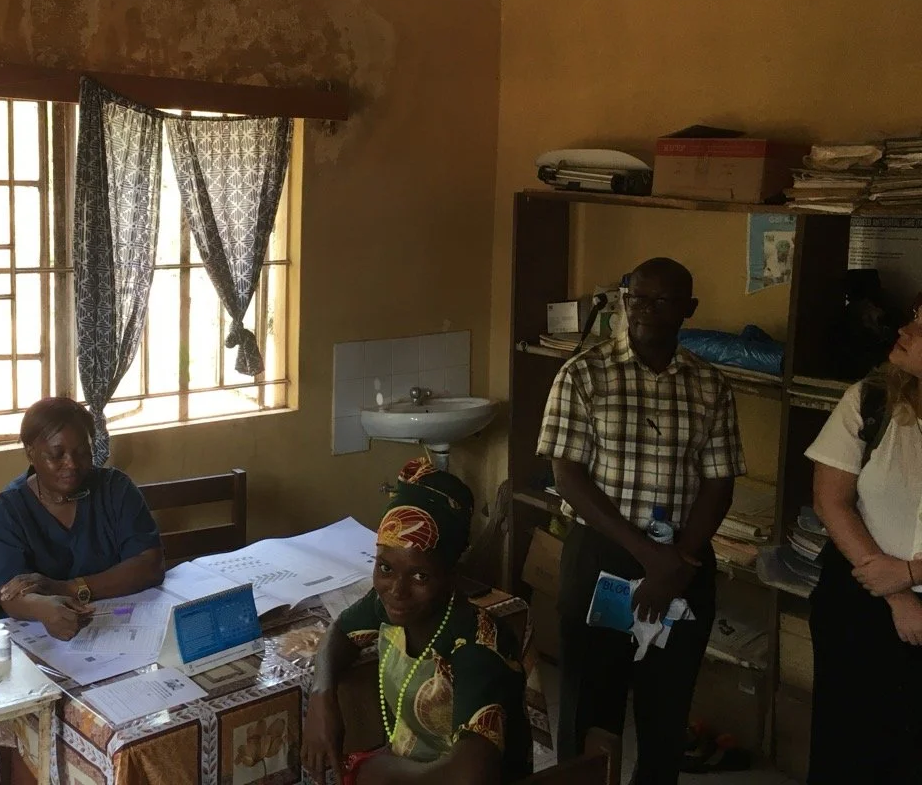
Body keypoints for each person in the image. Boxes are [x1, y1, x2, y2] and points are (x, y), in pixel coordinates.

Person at [536, 257, 743, 785]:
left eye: (662, 301)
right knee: (590, 705)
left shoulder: (710, 385)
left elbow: (719, 481)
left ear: (688, 310)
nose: (645, 310)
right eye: (636, 299)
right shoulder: (584, 373)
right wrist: (651, 556)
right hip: (602, 555)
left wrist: (679, 563)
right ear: (624, 303)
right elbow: (568, 475)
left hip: (683, 560)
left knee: (665, 707)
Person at [302, 459, 532, 785]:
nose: (397, 590)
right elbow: (341, 631)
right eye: (385, 568)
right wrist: (321, 697)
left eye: (420, 575)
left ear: (452, 575)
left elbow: (471, 776)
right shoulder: (393, 605)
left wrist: (382, 772)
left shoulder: (478, 645)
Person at [807, 292, 922, 784]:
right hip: (859, 600)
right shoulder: (871, 399)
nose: (906, 330)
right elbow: (831, 500)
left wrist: (913, 573)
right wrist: (897, 591)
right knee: (848, 746)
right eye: (915, 316)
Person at [0, 397, 164, 637]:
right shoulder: (8, 511)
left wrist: (68, 588)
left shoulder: (116, 490)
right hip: (42, 639)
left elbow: (150, 565)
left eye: (83, 452)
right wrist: (42, 608)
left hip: (118, 627)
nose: (71, 464)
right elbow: (8, 593)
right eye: (56, 454)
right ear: (30, 453)